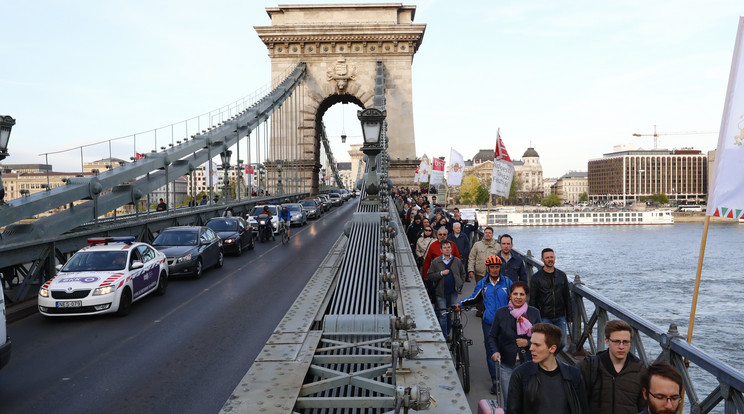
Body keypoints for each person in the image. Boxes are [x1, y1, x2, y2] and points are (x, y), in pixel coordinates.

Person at [459, 255, 512, 395]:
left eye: (497, 267)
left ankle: (507, 377)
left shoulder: (507, 283)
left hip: (506, 323)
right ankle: (496, 381)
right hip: (489, 323)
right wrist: (459, 304)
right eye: (492, 267)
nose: (495, 270)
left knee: (507, 349)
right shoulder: (482, 284)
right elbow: (474, 298)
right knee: (491, 352)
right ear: (487, 268)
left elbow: (516, 300)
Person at [507, 323, 589, 414]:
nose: (531, 348)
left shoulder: (574, 375)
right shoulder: (521, 374)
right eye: (531, 343)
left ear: (552, 349)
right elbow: (512, 410)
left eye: (537, 345)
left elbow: (583, 409)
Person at [488, 281, 541, 401]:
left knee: (528, 400)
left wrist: (528, 342)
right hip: (506, 364)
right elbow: (492, 336)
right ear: (510, 295)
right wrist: (495, 352)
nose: (518, 297)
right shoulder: (501, 313)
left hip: (528, 363)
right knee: (510, 401)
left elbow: (540, 338)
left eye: (522, 294)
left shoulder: (534, 313)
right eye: (515, 294)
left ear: (526, 296)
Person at [578, 320, 645, 414]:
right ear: (607, 341)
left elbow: (643, 406)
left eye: (625, 342)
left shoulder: (640, 370)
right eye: (616, 341)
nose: (621, 347)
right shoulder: (589, 365)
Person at [529, 247, 573, 350]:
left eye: (552, 257)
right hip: (544, 316)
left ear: (555, 258)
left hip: (560, 315)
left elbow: (567, 296)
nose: (550, 259)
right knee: (547, 343)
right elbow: (533, 299)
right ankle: (549, 363)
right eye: (547, 257)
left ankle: (550, 359)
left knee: (562, 343)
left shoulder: (561, 275)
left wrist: (569, 316)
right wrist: (534, 318)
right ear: (542, 259)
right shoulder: (536, 278)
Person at [427, 240, 465, 337]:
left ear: (451, 249)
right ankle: (444, 336)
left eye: (449, 247)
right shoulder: (436, 262)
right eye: (445, 247)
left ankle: (448, 332)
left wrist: (460, 284)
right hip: (441, 293)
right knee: (442, 315)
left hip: (453, 292)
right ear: (441, 250)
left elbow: (462, 273)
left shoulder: (457, 261)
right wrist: (441, 273)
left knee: (451, 316)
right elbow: (430, 275)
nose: (447, 249)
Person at [468, 226, 501, 314]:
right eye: (486, 232)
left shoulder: (498, 246)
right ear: (483, 234)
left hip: (493, 274)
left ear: (492, 234)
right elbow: (472, 258)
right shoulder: (477, 245)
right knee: (480, 291)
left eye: (489, 233)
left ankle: (490, 310)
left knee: (491, 292)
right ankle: (480, 309)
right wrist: (470, 270)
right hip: (480, 273)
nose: (487, 234)